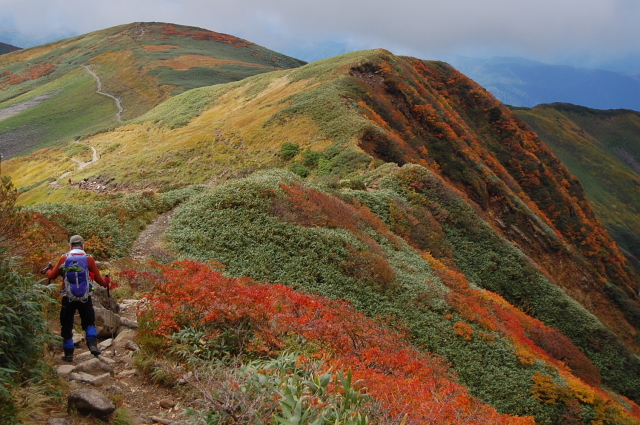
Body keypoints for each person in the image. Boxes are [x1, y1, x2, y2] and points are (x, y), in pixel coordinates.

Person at [46, 235, 111, 362]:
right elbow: (100, 281)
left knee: (66, 324)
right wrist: (106, 281)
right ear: (83, 246)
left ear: (70, 246)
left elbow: (52, 276)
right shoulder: (89, 259)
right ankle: (92, 345)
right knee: (89, 322)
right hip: (85, 297)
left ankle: (69, 353)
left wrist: (48, 271)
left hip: (67, 297)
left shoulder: (64, 258)